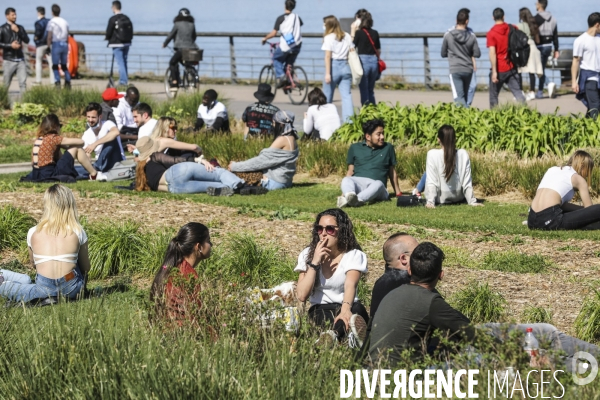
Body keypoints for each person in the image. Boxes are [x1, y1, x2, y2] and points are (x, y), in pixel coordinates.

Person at [369, 242, 599, 370]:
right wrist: (525, 359)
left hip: (413, 366)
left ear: (409, 270)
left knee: (528, 333)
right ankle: (582, 366)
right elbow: (477, 339)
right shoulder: (430, 303)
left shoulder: (395, 294)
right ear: (441, 274)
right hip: (418, 378)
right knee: (515, 357)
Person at [0, 185, 89, 304]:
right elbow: (86, 268)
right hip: (71, 285)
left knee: (5, 288)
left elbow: (34, 264)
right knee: (75, 261)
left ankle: (46, 297)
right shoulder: (77, 231)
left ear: (47, 205)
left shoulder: (33, 232)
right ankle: (72, 293)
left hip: (43, 288)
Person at [294, 208, 369, 348]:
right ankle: (345, 336)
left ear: (341, 230)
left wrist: (345, 309)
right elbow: (302, 295)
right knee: (325, 318)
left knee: (356, 313)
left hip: (349, 304)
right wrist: (315, 263)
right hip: (321, 308)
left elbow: (350, 285)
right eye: (319, 229)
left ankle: (333, 336)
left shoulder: (353, 255)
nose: (323, 234)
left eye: (330, 229)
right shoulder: (307, 255)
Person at [134, 136, 244, 195]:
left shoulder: (141, 172)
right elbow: (175, 160)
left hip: (174, 188)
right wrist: (198, 160)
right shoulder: (154, 156)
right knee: (218, 173)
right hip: (176, 171)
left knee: (211, 185)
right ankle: (242, 186)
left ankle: (227, 188)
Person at [149, 222, 211, 326]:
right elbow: (194, 315)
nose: (211, 245)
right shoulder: (187, 275)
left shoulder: (176, 267)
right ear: (199, 247)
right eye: (208, 241)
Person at [528, 150, 600, 230]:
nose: (587, 175)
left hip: (532, 220)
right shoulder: (578, 179)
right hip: (551, 219)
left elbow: (561, 205)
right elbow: (589, 210)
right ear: (582, 166)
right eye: (588, 170)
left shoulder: (552, 170)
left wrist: (580, 210)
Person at [229, 110, 299, 192]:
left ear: (280, 124)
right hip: (286, 181)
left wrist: (235, 166)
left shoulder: (282, 139)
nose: (272, 125)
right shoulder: (292, 138)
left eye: (274, 122)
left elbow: (261, 161)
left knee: (234, 174)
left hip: (274, 182)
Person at [338, 119, 401, 208]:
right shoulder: (354, 148)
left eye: (383, 133)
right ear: (368, 136)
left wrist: (398, 193)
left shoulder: (388, 148)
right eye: (378, 134)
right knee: (346, 179)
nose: (382, 137)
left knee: (378, 183)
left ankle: (357, 200)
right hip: (360, 185)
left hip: (379, 189)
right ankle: (349, 196)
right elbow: (350, 172)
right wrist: (344, 193)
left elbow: (392, 172)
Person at [421, 125, 480, 208]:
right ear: (455, 139)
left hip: (439, 199)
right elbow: (467, 182)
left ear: (438, 139)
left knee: (427, 174)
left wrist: (430, 202)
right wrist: (472, 201)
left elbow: (432, 181)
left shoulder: (432, 154)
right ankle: (416, 190)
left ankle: (416, 191)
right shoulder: (463, 154)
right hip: (458, 197)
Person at [30, 114, 98, 181]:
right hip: (49, 173)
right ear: (55, 126)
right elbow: (81, 142)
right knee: (76, 147)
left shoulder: (39, 139)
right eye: (60, 126)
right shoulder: (54, 138)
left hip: (36, 173)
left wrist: (61, 146)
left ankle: (81, 173)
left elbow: (60, 158)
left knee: (59, 150)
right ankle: (93, 173)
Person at [486, 8, 526, 108]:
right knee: (518, 93)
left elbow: (492, 53)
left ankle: (494, 117)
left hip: (499, 68)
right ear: (503, 17)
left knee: (494, 95)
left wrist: (494, 72)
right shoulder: (512, 28)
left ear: (493, 18)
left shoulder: (491, 33)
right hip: (511, 66)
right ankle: (525, 111)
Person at [442, 9, 481, 107]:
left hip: (455, 69)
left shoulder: (448, 35)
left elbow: (443, 53)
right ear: (467, 21)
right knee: (465, 96)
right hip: (468, 69)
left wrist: (452, 53)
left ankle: (466, 116)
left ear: (456, 20)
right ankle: (467, 116)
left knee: (459, 98)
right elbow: (477, 53)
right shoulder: (472, 36)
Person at [261, 0, 303, 89]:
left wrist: (265, 38)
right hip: (297, 45)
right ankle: (290, 80)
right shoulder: (297, 17)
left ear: (285, 6)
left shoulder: (280, 18)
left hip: (286, 46)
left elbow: (273, 34)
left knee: (276, 59)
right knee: (289, 64)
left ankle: (281, 76)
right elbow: (299, 26)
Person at [322, 15, 354, 123]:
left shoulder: (328, 38)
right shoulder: (347, 35)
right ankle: (349, 123)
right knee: (346, 97)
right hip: (345, 66)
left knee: (327, 97)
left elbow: (327, 56)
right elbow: (352, 50)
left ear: (328, 25)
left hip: (333, 67)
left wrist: (327, 73)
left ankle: (326, 122)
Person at [81, 102, 126, 176]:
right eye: (88, 117)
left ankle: (98, 167)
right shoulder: (87, 134)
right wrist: (89, 166)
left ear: (100, 117)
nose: (90, 120)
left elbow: (116, 132)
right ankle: (96, 169)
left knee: (111, 138)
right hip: (101, 162)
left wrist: (95, 144)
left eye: (93, 117)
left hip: (116, 158)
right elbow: (87, 153)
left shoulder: (108, 124)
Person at [572, 13, 600, 121]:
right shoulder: (580, 40)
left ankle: (584, 129)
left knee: (592, 106)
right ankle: (596, 131)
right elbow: (575, 61)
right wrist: (574, 81)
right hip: (589, 78)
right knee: (595, 105)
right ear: (597, 25)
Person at [163, 8, 197, 89]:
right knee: (187, 64)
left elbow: (171, 35)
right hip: (192, 48)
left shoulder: (177, 24)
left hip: (181, 49)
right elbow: (194, 36)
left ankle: (174, 81)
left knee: (172, 62)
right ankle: (192, 77)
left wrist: (165, 43)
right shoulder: (192, 24)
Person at [353, 11, 380, 106]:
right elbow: (378, 49)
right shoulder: (375, 33)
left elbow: (352, 46)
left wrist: (353, 31)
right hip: (374, 61)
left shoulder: (359, 33)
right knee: (370, 90)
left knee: (364, 90)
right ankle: (374, 111)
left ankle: (366, 112)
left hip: (363, 62)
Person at [534, 0, 559, 99]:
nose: (535, 5)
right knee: (542, 69)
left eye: (536, 3)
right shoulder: (553, 18)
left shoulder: (535, 18)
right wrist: (556, 49)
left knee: (538, 69)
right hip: (549, 46)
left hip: (539, 46)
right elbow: (555, 35)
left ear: (540, 5)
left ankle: (546, 85)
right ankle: (541, 90)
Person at [1, 7, 29, 94]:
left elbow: (27, 40)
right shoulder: (2, 28)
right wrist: (10, 45)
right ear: (7, 16)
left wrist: (18, 31)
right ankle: (3, 104)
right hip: (8, 60)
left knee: (23, 84)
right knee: (6, 84)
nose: (15, 16)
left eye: (15, 14)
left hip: (20, 60)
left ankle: (25, 105)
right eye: (12, 15)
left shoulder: (20, 27)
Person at [105, 1, 133, 87]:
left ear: (114, 7)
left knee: (120, 62)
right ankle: (124, 79)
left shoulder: (113, 19)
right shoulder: (126, 18)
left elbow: (109, 32)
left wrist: (107, 38)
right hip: (127, 43)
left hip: (116, 43)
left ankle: (123, 81)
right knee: (124, 62)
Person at [518, 8, 543, 101]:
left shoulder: (519, 25)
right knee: (532, 71)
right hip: (532, 47)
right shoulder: (534, 25)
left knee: (519, 70)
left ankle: (520, 91)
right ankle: (532, 91)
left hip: (523, 48)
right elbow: (537, 39)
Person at [46, 4, 70, 89]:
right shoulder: (65, 21)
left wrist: (48, 47)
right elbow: (67, 34)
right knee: (64, 65)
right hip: (64, 43)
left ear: (52, 12)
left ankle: (57, 82)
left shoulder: (51, 22)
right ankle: (68, 80)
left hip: (56, 44)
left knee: (55, 65)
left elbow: (49, 36)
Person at [33, 6, 53, 85]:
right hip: (49, 44)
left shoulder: (38, 23)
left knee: (38, 62)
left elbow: (38, 33)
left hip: (40, 44)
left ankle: (38, 80)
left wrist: (35, 39)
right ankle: (52, 81)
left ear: (38, 12)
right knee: (51, 63)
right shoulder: (50, 21)